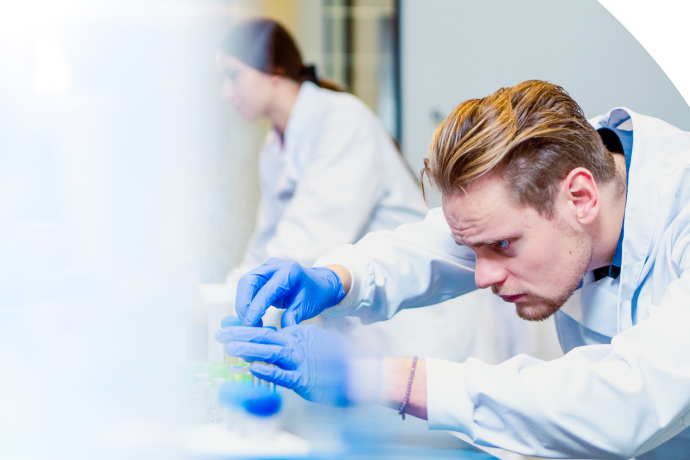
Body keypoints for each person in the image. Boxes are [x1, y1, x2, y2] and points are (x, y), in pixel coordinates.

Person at [217, 80, 690, 460]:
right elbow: (435, 243)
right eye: (476, 250)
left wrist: (376, 377)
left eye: (502, 247)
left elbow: (628, 399)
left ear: (582, 198)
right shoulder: (562, 168)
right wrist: (337, 278)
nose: (482, 276)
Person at [217, 18, 552, 364]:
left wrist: (235, 303)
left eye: (233, 75)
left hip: (417, 322)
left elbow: (307, 241)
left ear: (273, 68)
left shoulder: (341, 121)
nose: (226, 92)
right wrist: (230, 293)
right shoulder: (274, 146)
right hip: (363, 317)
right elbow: (266, 242)